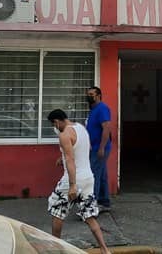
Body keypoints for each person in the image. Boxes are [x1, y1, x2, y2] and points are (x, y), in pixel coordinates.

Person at [47, 109, 110, 254]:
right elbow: (80, 150)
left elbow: (70, 160)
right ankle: (104, 250)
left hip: (73, 180)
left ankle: (55, 248)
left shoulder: (64, 135)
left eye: (54, 124)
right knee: (89, 216)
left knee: (57, 211)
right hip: (88, 178)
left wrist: (72, 185)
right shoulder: (81, 128)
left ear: (57, 121)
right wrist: (61, 157)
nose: (55, 128)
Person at [86, 86, 111, 211]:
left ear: (98, 95)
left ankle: (91, 205)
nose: (89, 96)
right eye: (88, 94)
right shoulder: (93, 109)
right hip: (94, 147)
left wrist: (101, 147)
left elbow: (106, 127)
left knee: (94, 175)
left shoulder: (102, 109)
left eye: (91, 94)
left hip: (100, 148)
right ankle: (104, 202)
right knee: (101, 175)